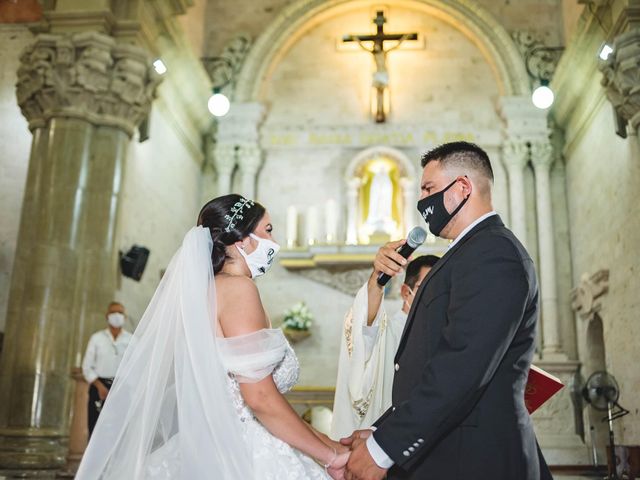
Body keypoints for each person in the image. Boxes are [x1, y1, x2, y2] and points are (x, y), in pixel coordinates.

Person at [75, 194, 349, 479]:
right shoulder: (238, 290)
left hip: (215, 442)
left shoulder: (211, 290)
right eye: (268, 230)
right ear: (242, 241)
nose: (275, 242)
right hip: (245, 451)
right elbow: (259, 399)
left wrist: (329, 443)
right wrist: (329, 458)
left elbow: (267, 399)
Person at [341, 142, 552, 480]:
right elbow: (429, 366)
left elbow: (461, 367)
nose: (422, 202)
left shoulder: (493, 253)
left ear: (463, 188)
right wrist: (382, 432)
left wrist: (385, 450)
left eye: (429, 189)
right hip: (451, 452)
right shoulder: (467, 253)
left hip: (476, 461)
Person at [331, 255, 439, 439]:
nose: (435, 296)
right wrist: (377, 281)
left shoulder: (446, 334)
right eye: (426, 288)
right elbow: (364, 324)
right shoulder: (390, 331)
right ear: (406, 292)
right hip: (387, 438)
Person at [81, 301, 132, 437]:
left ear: (125, 317)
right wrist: (99, 386)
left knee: (119, 430)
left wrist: (122, 388)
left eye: (120, 313)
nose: (116, 315)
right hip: (99, 387)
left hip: (121, 386)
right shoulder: (97, 338)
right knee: (96, 428)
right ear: (107, 316)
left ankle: (118, 458)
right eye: (113, 312)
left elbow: (135, 367)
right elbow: (87, 367)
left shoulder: (132, 340)